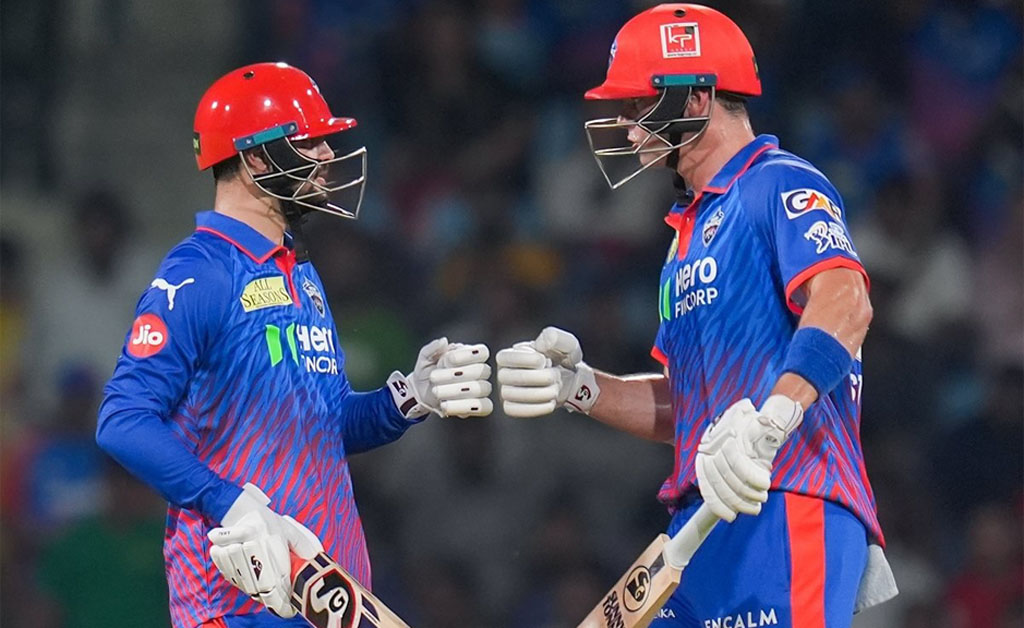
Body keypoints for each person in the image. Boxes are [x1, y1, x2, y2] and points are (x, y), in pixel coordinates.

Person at [496, 5, 897, 627]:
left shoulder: (779, 182)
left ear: (697, 97)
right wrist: (579, 386)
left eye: (640, 104)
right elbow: (689, 408)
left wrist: (773, 418)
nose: (628, 127)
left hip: (790, 498)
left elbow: (847, 301)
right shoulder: (685, 238)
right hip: (700, 523)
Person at [96, 62, 493, 628]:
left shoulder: (299, 270)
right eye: (310, 142)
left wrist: (407, 399)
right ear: (256, 158)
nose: (328, 156)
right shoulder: (200, 270)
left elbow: (325, 425)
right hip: (234, 606)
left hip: (328, 599)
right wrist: (226, 501)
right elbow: (122, 420)